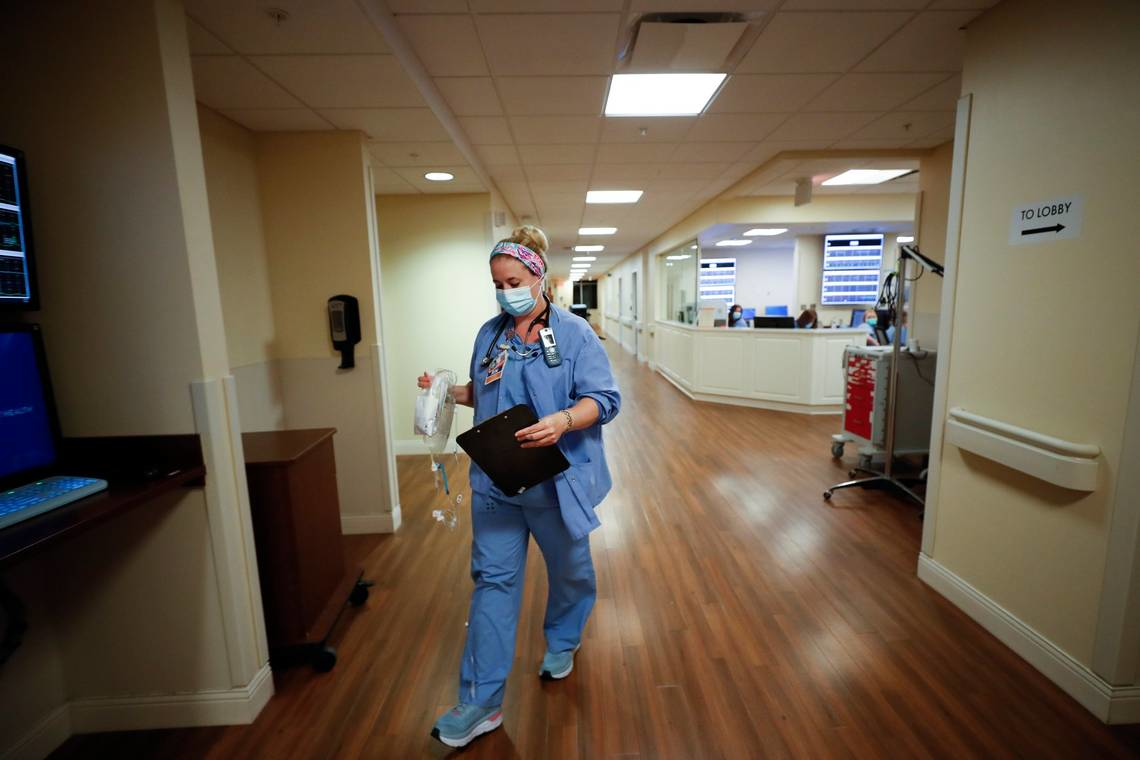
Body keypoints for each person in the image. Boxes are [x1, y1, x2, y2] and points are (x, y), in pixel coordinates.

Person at [418, 225, 621, 749]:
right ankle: (481, 702)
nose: (506, 291)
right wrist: (445, 391)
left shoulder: (575, 333)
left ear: (538, 277)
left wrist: (564, 421)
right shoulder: (490, 335)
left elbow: (605, 399)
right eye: (497, 283)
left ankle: (563, 639)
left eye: (513, 280)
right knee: (493, 584)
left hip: (556, 483)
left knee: (571, 574)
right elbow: (484, 397)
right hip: (497, 485)